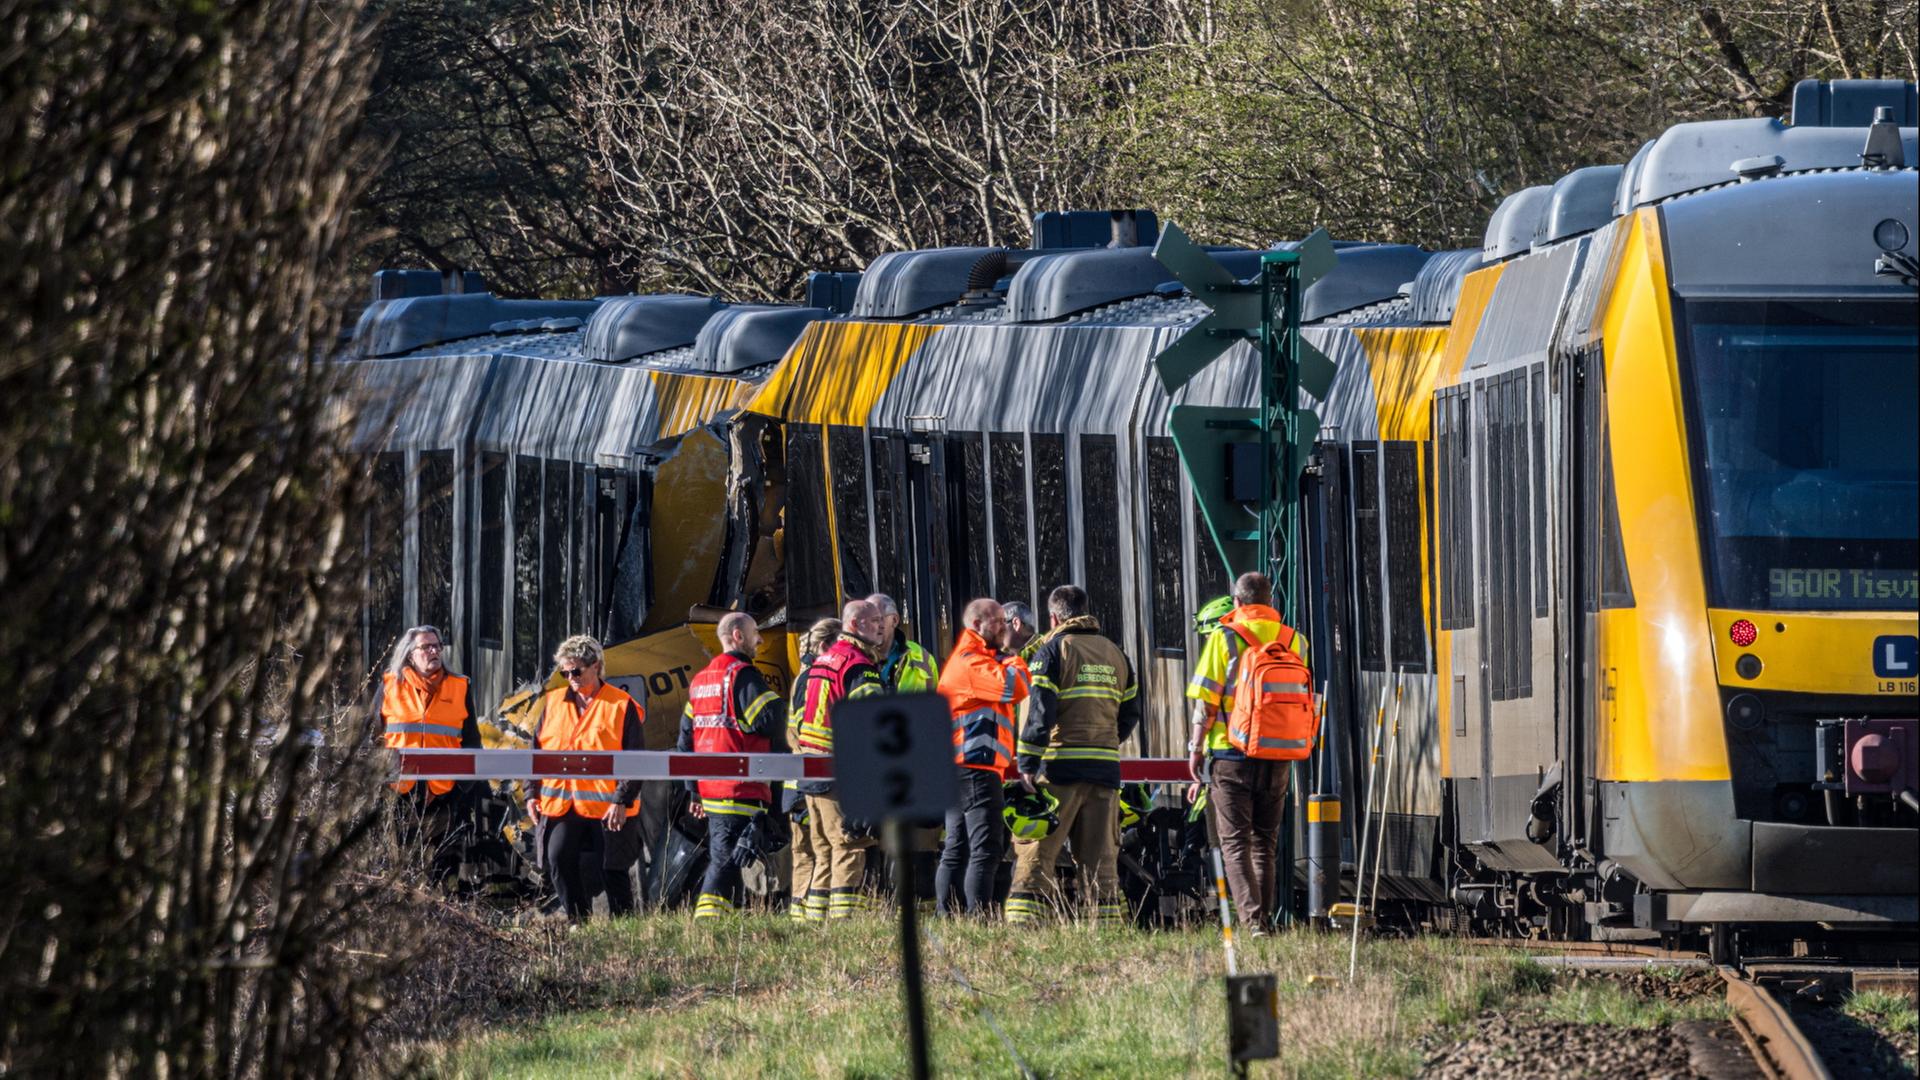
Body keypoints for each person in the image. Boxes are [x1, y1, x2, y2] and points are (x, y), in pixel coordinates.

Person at [1184, 572, 1309, 934]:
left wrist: (1195, 749)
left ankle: (1253, 922)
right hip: (1278, 754)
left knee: (1235, 842)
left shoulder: (1225, 638)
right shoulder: (1294, 640)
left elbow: (1206, 702)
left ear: (1237, 603)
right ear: (1271, 602)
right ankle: (1263, 919)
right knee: (1264, 844)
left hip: (1231, 754)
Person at [1007, 586, 1140, 925]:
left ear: (1054, 617)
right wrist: (1106, 742)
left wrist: (1027, 764)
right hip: (1105, 770)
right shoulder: (1115, 653)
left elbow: (1040, 713)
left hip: (1059, 769)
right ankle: (1105, 926)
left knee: (1037, 851)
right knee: (1100, 859)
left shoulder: (1051, 651)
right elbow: (1130, 713)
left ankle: (1025, 925)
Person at [525, 635, 645, 921]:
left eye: (576, 671)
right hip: (561, 806)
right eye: (565, 672)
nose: (571, 678)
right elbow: (534, 754)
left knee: (612, 870)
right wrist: (531, 793)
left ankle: (624, 930)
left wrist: (621, 800)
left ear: (597, 667)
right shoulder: (552, 703)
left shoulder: (621, 705)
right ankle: (578, 921)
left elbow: (636, 760)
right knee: (558, 858)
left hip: (608, 807)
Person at [679, 612, 789, 919]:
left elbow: (684, 742)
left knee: (732, 857)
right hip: (740, 787)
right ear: (738, 636)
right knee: (726, 861)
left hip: (713, 791)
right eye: (756, 633)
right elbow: (769, 719)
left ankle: (727, 919)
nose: (761, 640)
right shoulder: (742, 675)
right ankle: (708, 925)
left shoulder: (701, 681)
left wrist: (694, 791)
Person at [934, 598, 1031, 917]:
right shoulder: (971, 662)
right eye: (999, 622)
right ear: (977, 624)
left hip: (961, 768)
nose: (1005, 628)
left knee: (958, 847)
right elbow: (1015, 687)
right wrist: (1014, 654)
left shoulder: (976, 659)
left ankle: (948, 914)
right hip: (974, 767)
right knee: (985, 849)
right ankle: (979, 917)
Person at [794, 599, 889, 918]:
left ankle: (815, 924)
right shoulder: (858, 664)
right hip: (840, 771)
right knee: (851, 846)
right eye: (874, 620)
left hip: (810, 769)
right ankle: (844, 926)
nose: (881, 625)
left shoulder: (824, 660)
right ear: (854, 625)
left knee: (823, 851)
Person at [377, 625, 482, 885]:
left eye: (437, 646)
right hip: (399, 791)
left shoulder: (460, 686)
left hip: (444, 793)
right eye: (426, 647)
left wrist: (461, 788)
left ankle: (442, 919)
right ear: (411, 654)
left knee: (443, 867)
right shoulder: (390, 685)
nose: (434, 651)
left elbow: (471, 742)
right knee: (397, 866)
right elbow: (372, 736)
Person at [783, 617, 840, 920]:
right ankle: (815, 916)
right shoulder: (817, 679)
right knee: (823, 850)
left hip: (796, 782)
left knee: (803, 854)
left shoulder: (801, 677)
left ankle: (800, 916)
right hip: (811, 782)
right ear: (825, 645)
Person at [868, 593, 939, 693]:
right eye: (867, 621)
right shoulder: (854, 658)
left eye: (878, 619)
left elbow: (934, 702)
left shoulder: (923, 658)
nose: (873, 626)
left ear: (895, 620)